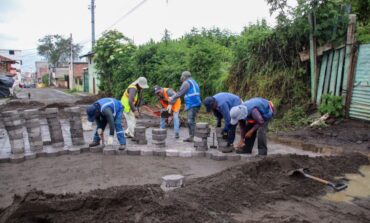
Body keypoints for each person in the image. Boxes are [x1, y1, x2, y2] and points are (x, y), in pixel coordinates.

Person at [169, 71, 201, 142]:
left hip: (193, 104)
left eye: (182, 76)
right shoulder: (193, 82)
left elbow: (180, 93)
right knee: (191, 120)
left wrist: (172, 98)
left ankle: (193, 137)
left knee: (190, 121)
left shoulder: (186, 83)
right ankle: (191, 136)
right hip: (195, 103)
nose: (181, 78)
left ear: (184, 76)